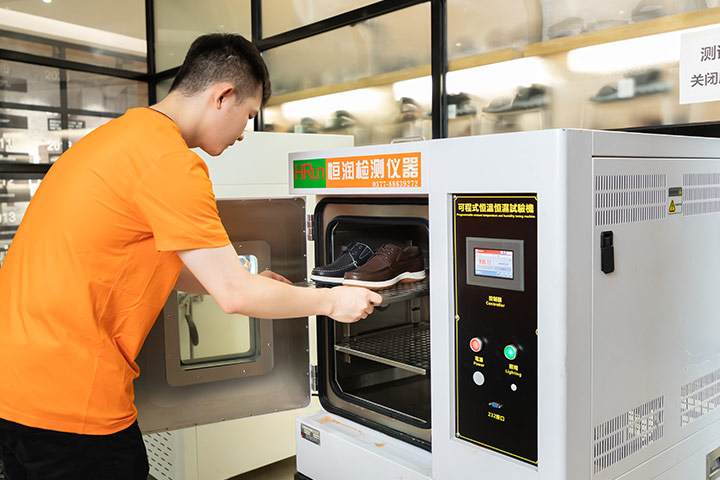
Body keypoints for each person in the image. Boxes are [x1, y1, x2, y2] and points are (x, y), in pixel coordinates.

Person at [0, 33, 381, 479]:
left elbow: (151, 258)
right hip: (73, 404)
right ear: (223, 95)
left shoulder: (112, 141)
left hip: (16, 390)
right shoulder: (169, 161)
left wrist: (249, 280)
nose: (244, 133)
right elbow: (234, 296)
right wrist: (332, 301)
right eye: (249, 116)